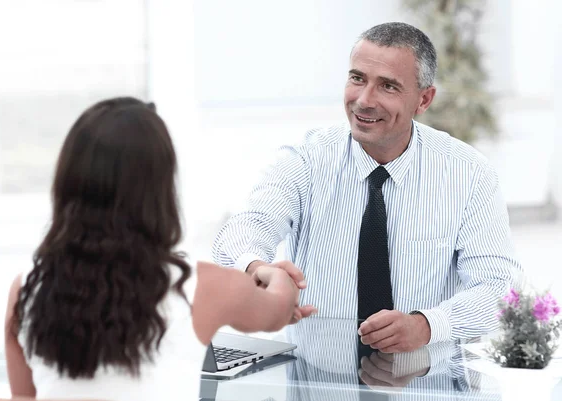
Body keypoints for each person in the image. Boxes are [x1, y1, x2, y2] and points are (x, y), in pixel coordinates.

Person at [212, 22, 522, 352]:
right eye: (357, 78)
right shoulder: (306, 159)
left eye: (388, 86)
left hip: (425, 383)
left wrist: (427, 324)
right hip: (316, 383)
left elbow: (500, 289)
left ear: (424, 99)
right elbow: (245, 228)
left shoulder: (469, 174)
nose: (363, 100)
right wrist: (256, 268)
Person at [4, 97, 305, 401]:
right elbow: (279, 309)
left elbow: (24, 397)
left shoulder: (27, 289)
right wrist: (266, 271)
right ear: (159, 191)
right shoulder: (203, 287)